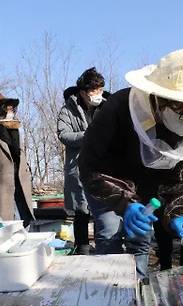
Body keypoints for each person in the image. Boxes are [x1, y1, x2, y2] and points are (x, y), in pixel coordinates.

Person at [79, 49, 183, 276]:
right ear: (160, 99)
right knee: (110, 235)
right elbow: (91, 166)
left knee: (141, 239)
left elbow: (182, 182)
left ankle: (139, 294)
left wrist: (177, 212)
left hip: (148, 192)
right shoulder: (117, 109)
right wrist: (125, 202)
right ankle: (109, 296)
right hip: (107, 183)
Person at [57, 68, 110, 255]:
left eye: (100, 90)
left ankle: (104, 247)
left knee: (102, 210)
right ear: (82, 92)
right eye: (93, 91)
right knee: (81, 210)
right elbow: (64, 135)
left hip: (103, 166)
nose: (97, 95)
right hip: (78, 166)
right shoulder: (68, 109)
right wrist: (88, 136)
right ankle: (83, 249)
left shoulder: (107, 107)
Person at [0, 94, 35, 224]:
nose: (10, 111)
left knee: (24, 220)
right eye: (7, 108)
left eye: (12, 108)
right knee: (4, 223)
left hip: (19, 180)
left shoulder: (14, 128)